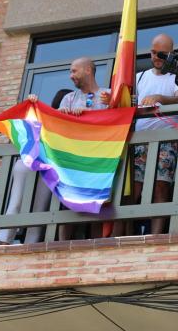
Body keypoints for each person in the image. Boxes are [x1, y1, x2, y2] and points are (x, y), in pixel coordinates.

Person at [101, 34, 178, 236]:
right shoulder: (140, 77)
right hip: (139, 140)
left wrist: (159, 98)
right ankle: (124, 234)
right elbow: (127, 104)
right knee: (133, 190)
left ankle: (156, 235)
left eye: (161, 53)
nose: (156, 57)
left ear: (171, 54)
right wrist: (110, 100)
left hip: (165, 139)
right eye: (153, 52)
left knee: (161, 186)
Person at [0, 89, 72, 245]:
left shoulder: (63, 124)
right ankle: (15, 243)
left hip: (41, 166)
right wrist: (31, 102)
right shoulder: (42, 118)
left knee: (21, 205)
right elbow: (23, 121)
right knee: (31, 207)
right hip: (33, 165)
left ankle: (6, 242)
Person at [58, 57, 110, 240]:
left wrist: (114, 104)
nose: (70, 76)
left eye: (74, 71)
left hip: (100, 160)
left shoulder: (108, 95)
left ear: (88, 70)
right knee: (68, 204)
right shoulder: (68, 99)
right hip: (74, 162)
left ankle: (96, 245)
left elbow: (122, 118)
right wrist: (65, 116)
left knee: (97, 205)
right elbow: (58, 128)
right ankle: (61, 246)